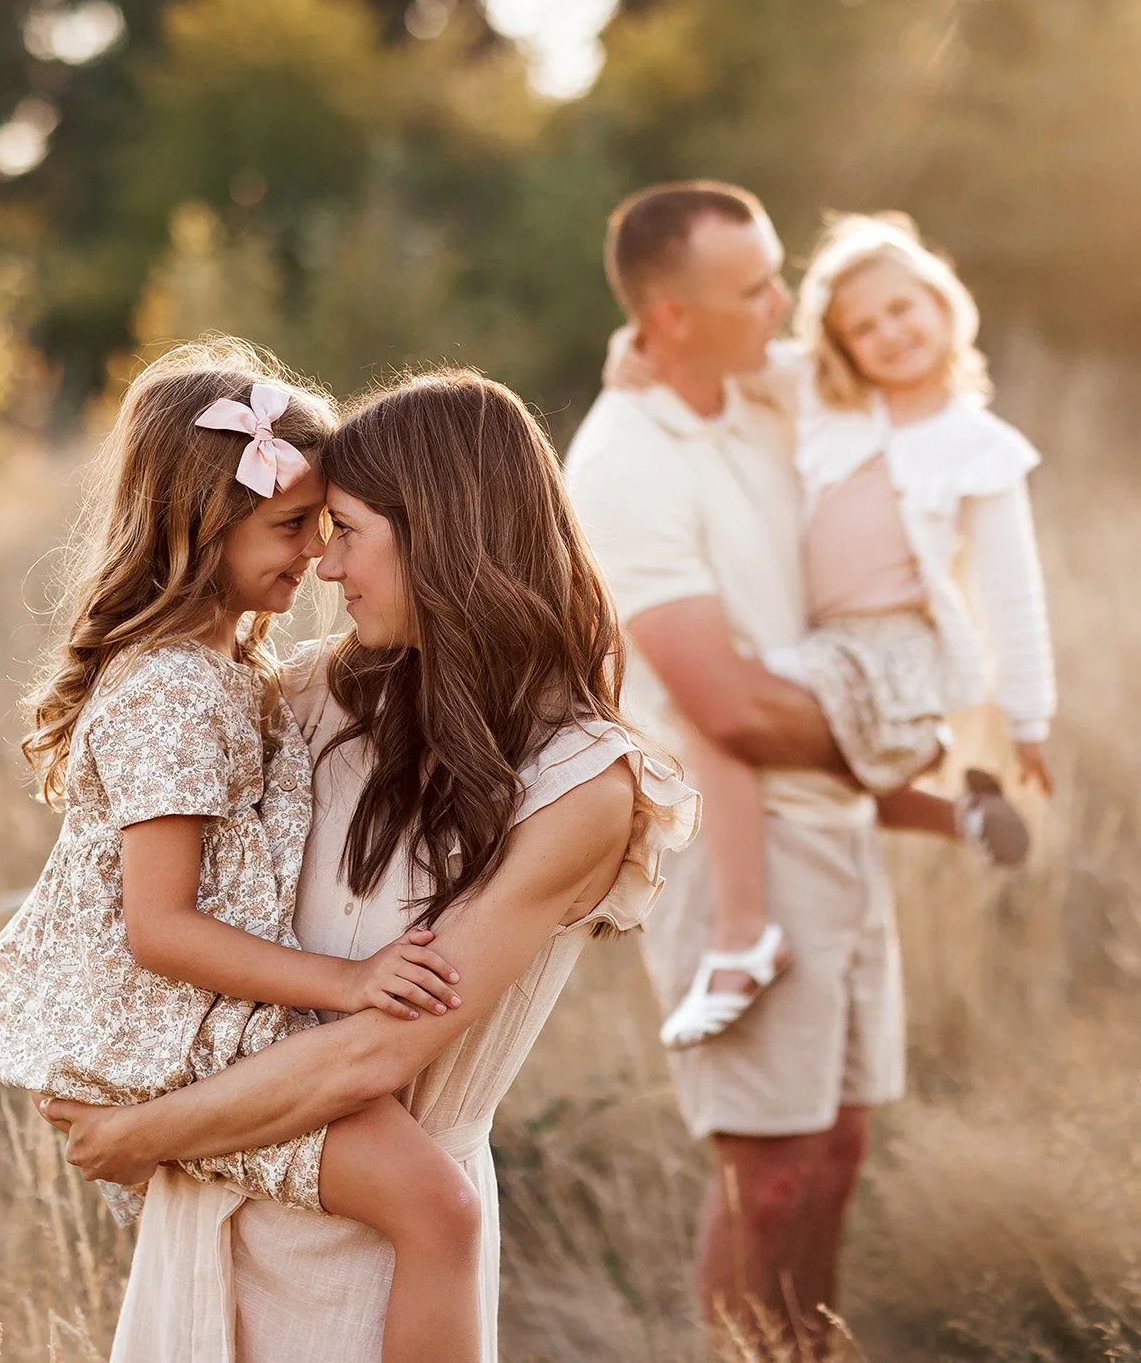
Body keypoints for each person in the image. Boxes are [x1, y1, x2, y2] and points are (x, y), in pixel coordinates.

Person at [39, 368, 699, 1362]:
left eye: (345, 530)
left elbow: (376, 1053)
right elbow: (151, 908)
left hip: (383, 1261)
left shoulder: (580, 786)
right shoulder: (299, 700)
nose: (324, 566)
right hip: (210, 1213)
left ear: (441, 534)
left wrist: (144, 1133)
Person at [562, 181, 1025, 1341]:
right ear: (670, 318)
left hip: (840, 830)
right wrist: (904, 739)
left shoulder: (772, 399)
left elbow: (905, 398)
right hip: (736, 850)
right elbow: (723, 703)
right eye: (755, 287)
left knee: (836, 1150)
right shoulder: (623, 460)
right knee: (764, 1177)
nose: (783, 303)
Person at [0, 343, 490, 1361]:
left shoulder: (228, 667)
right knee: (438, 1207)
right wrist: (348, 982)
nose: (314, 553)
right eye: (289, 525)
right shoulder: (173, 689)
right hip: (179, 1039)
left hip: (217, 1022)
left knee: (436, 1205)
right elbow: (160, 928)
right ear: (200, 525)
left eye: (328, 524)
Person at [603, 208, 1056, 1049]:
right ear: (840, 346)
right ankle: (959, 812)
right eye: (863, 327)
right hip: (829, 644)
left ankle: (743, 936)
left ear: (942, 303)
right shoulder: (826, 402)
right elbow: (711, 352)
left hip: (892, 650)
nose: (889, 334)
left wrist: (1027, 720)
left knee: (718, 714)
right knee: (772, 727)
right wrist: (630, 348)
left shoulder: (980, 447)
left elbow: (1013, 592)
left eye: (902, 309)